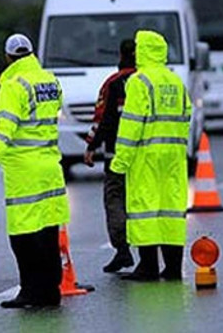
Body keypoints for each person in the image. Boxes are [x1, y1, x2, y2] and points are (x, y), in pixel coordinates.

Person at [0, 33, 70, 308]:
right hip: (50, 165)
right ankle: (51, 291)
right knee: (48, 231)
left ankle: (30, 291)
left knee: (23, 235)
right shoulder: (50, 80)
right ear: (31, 52)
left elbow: (6, 129)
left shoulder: (13, 85)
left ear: (8, 57)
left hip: (25, 171)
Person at [109, 31, 191, 281]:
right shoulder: (175, 81)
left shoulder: (139, 81)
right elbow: (187, 115)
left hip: (146, 156)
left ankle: (148, 266)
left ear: (143, 51)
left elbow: (131, 125)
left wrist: (120, 162)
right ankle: (173, 267)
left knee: (145, 209)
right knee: (171, 209)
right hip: (174, 156)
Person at [84, 39, 137, 273]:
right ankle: (150, 254)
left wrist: (91, 146)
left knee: (115, 200)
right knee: (143, 202)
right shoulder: (149, 81)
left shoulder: (113, 84)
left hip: (116, 155)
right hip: (146, 156)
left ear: (120, 56)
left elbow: (102, 119)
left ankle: (123, 250)